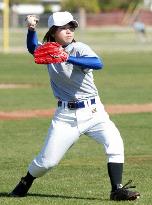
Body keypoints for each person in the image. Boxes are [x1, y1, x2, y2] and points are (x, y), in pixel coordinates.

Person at [9, 11, 140, 201]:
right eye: (63, 28)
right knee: (47, 162)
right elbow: (33, 48)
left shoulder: (79, 48)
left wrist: (66, 57)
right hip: (65, 116)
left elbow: (98, 63)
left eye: (71, 27)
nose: (69, 31)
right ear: (53, 31)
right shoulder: (48, 50)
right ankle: (25, 181)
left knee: (115, 144)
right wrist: (31, 29)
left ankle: (117, 190)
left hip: (94, 112)